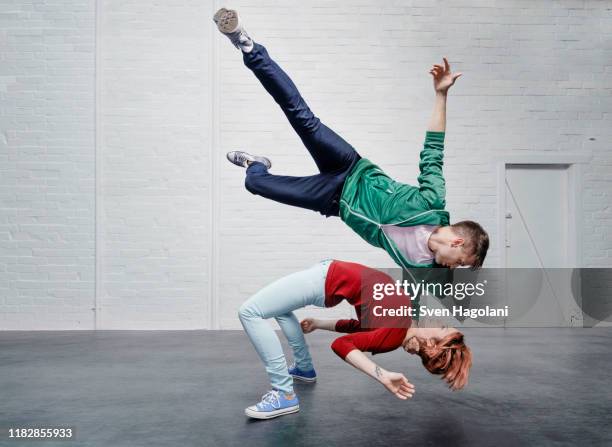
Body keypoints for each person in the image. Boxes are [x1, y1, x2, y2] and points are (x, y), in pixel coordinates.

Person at [213, 8, 490, 271]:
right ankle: (248, 46)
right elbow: (433, 150)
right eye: (462, 262)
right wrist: (441, 95)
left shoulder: (423, 267)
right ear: (458, 242)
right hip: (351, 168)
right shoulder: (432, 202)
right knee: (300, 115)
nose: (455, 268)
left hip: (334, 200)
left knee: (255, 182)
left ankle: (255, 164)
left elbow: (426, 303)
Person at [237, 259, 473, 420]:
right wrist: (319, 323)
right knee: (279, 308)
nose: (438, 319)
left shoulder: (395, 331)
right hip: (326, 278)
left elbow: (342, 345)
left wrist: (381, 375)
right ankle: (304, 368)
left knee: (249, 312)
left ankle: (284, 394)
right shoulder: (401, 322)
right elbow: (356, 327)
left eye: (442, 327)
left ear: (431, 346)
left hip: (324, 280)